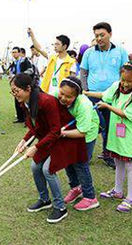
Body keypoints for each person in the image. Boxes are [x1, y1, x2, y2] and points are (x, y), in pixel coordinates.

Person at [12, 73, 87, 223]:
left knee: (48, 169)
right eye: (12, 91)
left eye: (16, 90)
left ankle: (60, 207)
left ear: (28, 88)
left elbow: (55, 131)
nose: (14, 94)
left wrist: (35, 147)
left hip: (64, 138)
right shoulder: (26, 102)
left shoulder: (46, 101)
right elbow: (35, 126)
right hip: (50, 138)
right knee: (35, 167)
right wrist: (24, 141)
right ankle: (45, 200)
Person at [80, 22, 129, 168]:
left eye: (102, 35)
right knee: (91, 125)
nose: (99, 38)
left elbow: (125, 72)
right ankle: (85, 155)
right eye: (96, 36)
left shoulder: (120, 51)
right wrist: (85, 89)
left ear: (110, 34)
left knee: (110, 126)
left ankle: (108, 155)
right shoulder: (89, 52)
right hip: (92, 95)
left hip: (113, 96)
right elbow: (83, 72)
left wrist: (123, 91)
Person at [85, 63, 132, 212]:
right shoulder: (117, 87)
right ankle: (118, 191)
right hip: (117, 136)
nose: (125, 84)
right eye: (123, 80)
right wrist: (85, 93)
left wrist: (107, 107)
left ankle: (130, 198)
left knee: (130, 167)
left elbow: (125, 113)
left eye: (129, 81)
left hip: (129, 138)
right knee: (118, 162)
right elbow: (103, 95)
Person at [57, 77, 100, 211]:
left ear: (77, 95)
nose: (63, 98)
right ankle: (76, 188)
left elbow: (82, 132)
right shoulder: (55, 95)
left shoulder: (84, 105)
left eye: (69, 97)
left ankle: (90, 197)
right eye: (62, 94)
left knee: (80, 164)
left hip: (86, 132)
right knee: (68, 161)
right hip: (69, 129)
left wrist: (61, 133)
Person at [28, 28, 76, 95]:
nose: (55, 46)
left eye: (57, 44)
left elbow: (73, 82)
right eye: (54, 44)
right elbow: (39, 48)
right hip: (47, 92)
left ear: (64, 46)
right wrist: (32, 36)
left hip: (61, 95)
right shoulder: (52, 57)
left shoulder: (71, 62)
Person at [8, 46, 33, 123]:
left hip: (24, 83)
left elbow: (30, 70)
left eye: (15, 52)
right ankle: (20, 118)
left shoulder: (25, 61)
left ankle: (27, 119)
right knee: (17, 100)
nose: (14, 54)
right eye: (13, 52)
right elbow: (11, 71)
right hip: (16, 84)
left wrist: (21, 75)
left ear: (19, 53)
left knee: (25, 101)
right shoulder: (14, 63)